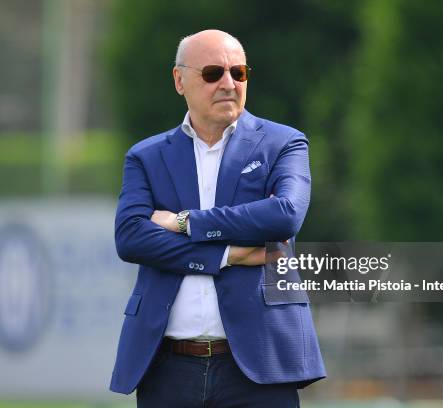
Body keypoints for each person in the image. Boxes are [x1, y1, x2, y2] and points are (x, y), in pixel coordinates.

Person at [110, 29, 325, 407]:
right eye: (213, 73)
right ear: (180, 81)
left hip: (260, 366)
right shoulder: (146, 156)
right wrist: (227, 255)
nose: (228, 83)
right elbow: (131, 237)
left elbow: (284, 216)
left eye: (238, 73)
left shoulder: (283, 143)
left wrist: (185, 223)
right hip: (166, 368)